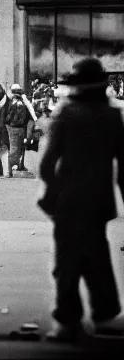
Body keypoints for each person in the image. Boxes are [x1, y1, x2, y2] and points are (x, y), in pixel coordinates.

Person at [38, 57, 124, 341]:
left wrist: (51, 193)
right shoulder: (112, 117)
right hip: (99, 198)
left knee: (67, 259)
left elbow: (48, 164)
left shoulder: (66, 114)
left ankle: (68, 320)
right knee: (98, 255)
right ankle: (104, 314)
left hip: (68, 198)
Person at [4, 84, 36, 177]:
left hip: (12, 127)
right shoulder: (20, 102)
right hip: (18, 128)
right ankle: (8, 169)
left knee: (15, 148)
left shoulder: (10, 101)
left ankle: (11, 168)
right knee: (15, 149)